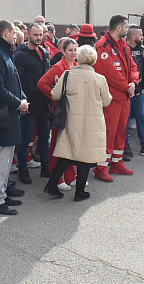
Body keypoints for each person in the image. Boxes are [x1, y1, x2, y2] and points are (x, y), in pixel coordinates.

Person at [43, 45, 113, 202]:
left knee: (67, 155)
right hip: (93, 123)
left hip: (71, 121)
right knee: (86, 158)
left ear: (78, 58)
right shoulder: (100, 79)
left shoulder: (68, 75)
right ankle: (79, 192)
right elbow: (107, 101)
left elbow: (55, 95)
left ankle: (51, 184)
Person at [0, 20, 27, 216]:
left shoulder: (3, 52)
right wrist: (18, 103)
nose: (16, 36)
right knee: (1, 158)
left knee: (6, 157)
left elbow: (13, 81)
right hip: (4, 114)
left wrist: (22, 99)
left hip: (10, 112)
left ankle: (2, 192)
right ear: (6, 33)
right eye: (14, 33)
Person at [93, 15, 138, 181]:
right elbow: (109, 74)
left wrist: (133, 82)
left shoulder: (123, 46)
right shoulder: (102, 47)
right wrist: (127, 86)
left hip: (124, 97)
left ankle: (117, 162)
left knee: (120, 131)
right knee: (109, 132)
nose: (127, 30)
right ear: (119, 28)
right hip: (110, 99)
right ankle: (101, 167)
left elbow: (133, 67)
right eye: (126, 27)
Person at [38, 38, 81, 191]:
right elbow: (41, 83)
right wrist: (55, 95)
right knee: (57, 145)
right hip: (61, 112)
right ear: (63, 51)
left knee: (70, 144)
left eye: (75, 50)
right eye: (70, 50)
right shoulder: (58, 67)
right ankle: (57, 178)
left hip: (73, 112)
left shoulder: (77, 66)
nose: (73, 53)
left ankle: (70, 176)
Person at [13, 23, 51, 183]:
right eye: (35, 35)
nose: (39, 37)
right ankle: (22, 168)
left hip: (43, 102)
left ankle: (45, 167)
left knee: (44, 136)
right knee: (25, 137)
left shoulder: (44, 52)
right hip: (29, 102)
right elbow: (17, 81)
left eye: (41, 34)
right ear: (28, 35)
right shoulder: (21, 55)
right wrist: (22, 101)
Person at [123, 25, 144, 159]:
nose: (142, 37)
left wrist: (143, 87)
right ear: (133, 37)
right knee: (125, 121)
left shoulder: (142, 50)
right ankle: (125, 147)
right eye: (140, 35)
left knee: (141, 118)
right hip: (126, 91)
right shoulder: (123, 49)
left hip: (139, 91)